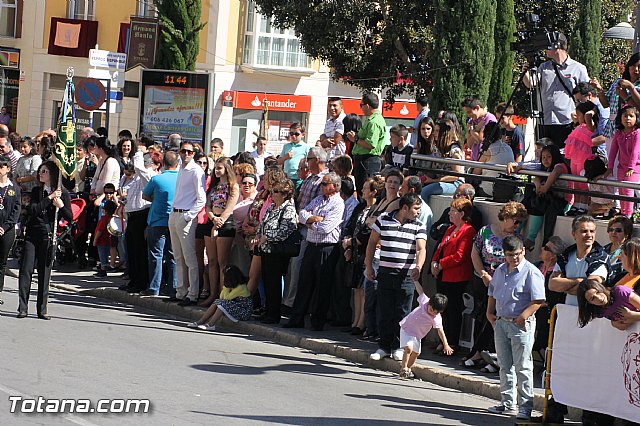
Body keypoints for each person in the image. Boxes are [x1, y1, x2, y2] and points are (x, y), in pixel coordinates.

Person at [548, 215, 609, 424]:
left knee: (587, 370)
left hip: (590, 320)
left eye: (592, 231)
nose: (589, 235)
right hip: (566, 320)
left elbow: (592, 289)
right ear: (574, 234)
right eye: (584, 231)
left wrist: (575, 285)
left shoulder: (600, 257)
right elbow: (552, 284)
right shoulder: (567, 255)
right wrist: (579, 283)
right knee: (562, 365)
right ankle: (556, 411)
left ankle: (589, 416)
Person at [486, 236, 545, 421]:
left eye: (517, 254)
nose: (514, 258)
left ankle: (526, 407)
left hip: (520, 324)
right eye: (510, 255)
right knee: (504, 365)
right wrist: (489, 312)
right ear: (504, 254)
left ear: (523, 251)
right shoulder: (501, 270)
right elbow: (492, 292)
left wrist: (523, 316)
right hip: (501, 321)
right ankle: (507, 402)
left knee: (523, 366)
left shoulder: (531, 272)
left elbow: (538, 300)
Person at [464, 202, 528, 370]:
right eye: (515, 221)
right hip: (482, 279)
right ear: (506, 217)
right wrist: (483, 274)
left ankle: (489, 353)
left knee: (495, 318)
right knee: (480, 316)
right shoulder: (485, 231)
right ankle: (476, 351)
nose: (517, 225)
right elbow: (474, 253)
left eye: (520, 222)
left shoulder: (516, 239)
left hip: (502, 284)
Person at [366, 193, 427, 362]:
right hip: (385, 272)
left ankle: (398, 346)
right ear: (404, 208)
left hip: (406, 275)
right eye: (415, 209)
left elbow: (421, 248)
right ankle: (384, 346)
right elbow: (372, 242)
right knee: (384, 311)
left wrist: (418, 266)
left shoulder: (419, 225)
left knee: (403, 312)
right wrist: (369, 265)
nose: (417, 212)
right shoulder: (383, 219)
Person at [284, 172, 344, 330]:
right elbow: (302, 214)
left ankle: (317, 321)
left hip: (327, 248)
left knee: (322, 285)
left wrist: (310, 222)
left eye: (325, 184)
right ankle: (296, 318)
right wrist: (313, 219)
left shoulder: (338, 204)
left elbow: (326, 228)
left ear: (335, 186)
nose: (321, 187)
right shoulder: (318, 199)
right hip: (312, 245)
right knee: (304, 282)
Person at [18, 161, 72, 319]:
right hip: (32, 234)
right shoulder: (37, 191)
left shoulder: (63, 193)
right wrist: (49, 198)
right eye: (40, 171)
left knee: (44, 273)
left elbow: (70, 217)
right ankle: (22, 307)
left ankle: (42, 309)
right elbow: (34, 210)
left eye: (44, 171)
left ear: (53, 174)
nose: (41, 174)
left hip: (47, 236)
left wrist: (61, 205)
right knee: (26, 270)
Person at [523, 32, 589, 148]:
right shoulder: (543, 67)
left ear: (558, 46)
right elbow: (531, 84)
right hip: (544, 121)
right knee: (544, 157)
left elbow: (586, 94)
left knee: (564, 157)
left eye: (548, 45)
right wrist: (525, 73)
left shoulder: (578, 68)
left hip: (566, 121)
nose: (545, 49)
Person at [430, 197, 477, 351]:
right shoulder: (450, 228)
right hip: (443, 275)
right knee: (442, 309)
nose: (449, 213)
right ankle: (443, 341)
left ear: (462, 213)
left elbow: (460, 255)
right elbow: (440, 247)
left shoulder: (468, 231)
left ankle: (451, 343)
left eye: (453, 211)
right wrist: (434, 262)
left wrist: (441, 264)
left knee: (453, 310)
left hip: (456, 277)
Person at [252, 179, 298, 324]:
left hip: (277, 251)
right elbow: (263, 223)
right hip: (266, 249)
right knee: (267, 281)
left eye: (276, 191)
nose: (273, 194)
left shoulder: (288, 208)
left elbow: (285, 230)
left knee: (275, 283)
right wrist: (258, 236)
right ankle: (268, 310)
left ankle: (274, 313)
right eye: (273, 190)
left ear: (285, 194)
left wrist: (267, 237)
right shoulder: (272, 206)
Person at [169, 141, 206, 306]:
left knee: (189, 258)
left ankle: (193, 294)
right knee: (178, 256)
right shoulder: (181, 169)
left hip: (185, 216)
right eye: (183, 151)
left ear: (193, 153)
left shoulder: (196, 171)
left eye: (189, 152)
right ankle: (181, 291)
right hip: (175, 213)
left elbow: (201, 198)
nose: (186, 154)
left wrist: (189, 216)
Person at [140, 150, 179, 297]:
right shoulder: (181, 179)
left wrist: (156, 200)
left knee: (156, 256)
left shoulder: (157, 179)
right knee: (173, 256)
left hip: (157, 221)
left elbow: (145, 195)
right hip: (174, 220)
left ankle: (154, 287)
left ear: (163, 164)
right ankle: (173, 287)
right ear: (177, 164)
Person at [202, 157, 239, 306]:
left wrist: (218, 224)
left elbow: (229, 208)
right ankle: (212, 294)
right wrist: (212, 218)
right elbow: (208, 205)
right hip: (212, 221)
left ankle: (222, 296)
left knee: (222, 262)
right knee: (211, 261)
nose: (217, 171)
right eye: (216, 168)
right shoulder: (214, 186)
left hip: (225, 224)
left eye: (220, 168)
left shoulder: (233, 187)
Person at [523, 144, 571, 250]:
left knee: (541, 203)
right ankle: (524, 235)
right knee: (531, 201)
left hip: (562, 202)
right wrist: (538, 186)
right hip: (549, 199)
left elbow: (554, 174)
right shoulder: (544, 168)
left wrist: (544, 188)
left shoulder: (560, 166)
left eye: (549, 157)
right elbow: (536, 178)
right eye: (543, 157)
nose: (545, 160)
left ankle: (542, 241)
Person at [399, 287, 452, 380]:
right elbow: (420, 290)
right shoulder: (424, 301)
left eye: (436, 312)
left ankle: (408, 368)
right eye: (431, 310)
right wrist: (415, 280)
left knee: (416, 353)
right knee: (408, 348)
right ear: (429, 303)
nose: (433, 313)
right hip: (407, 329)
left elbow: (440, 330)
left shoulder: (436, 318)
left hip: (417, 335)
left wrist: (446, 345)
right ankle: (403, 368)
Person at [592, 52, 640, 146]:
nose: (636, 69)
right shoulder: (619, 81)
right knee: (612, 158)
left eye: (639, 66)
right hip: (613, 126)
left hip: (632, 128)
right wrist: (599, 89)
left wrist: (630, 90)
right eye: (633, 65)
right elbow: (606, 104)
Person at [187, 265, 253, 331]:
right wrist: (226, 287)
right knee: (217, 301)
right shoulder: (232, 286)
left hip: (244, 312)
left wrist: (226, 288)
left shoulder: (241, 287)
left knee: (222, 304)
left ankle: (211, 324)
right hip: (235, 307)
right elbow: (221, 297)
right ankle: (201, 321)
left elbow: (226, 298)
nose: (223, 278)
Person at [602, 105, 640, 217]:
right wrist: (609, 167)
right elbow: (613, 150)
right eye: (625, 116)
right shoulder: (619, 133)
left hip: (634, 168)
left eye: (631, 116)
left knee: (628, 191)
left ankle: (628, 216)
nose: (628, 118)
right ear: (620, 118)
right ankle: (623, 214)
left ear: (636, 118)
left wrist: (631, 167)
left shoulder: (637, 133)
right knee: (622, 190)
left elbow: (635, 152)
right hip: (622, 167)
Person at [563, 101, 598, 214]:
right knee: (576, 182)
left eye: (579, 114)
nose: (577, 116)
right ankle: (576, 204)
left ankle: (583, 206)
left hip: (584, 159)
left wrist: (589, 114)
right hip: (575, 158)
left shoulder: (590, 127)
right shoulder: (578, 127)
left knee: (583, 183)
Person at [420, 119, 465, 203]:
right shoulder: (437, 149)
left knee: (425, 191)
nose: (434, 133)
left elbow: (456, 175)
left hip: (455, 184)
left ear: (444, 133)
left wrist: (434, 181)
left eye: (437, 131)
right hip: (438, 180)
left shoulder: (454, 150)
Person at [353, 92, 386, 193]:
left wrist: (355, 139)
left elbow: (371, 144)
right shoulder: (371, 120)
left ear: (367, 105)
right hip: (364, 160)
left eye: (361, 105)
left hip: (368, 160)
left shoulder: (374, 122)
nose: (361, 108)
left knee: (365, 190)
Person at [473, 121, 515, 197]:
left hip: (489, 190)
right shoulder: (509, 148)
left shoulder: (488, 150)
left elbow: (475, 173)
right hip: (506, 189)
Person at [0, 156, 20, 305]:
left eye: (2, 167)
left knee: (2, 263)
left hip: (6, 230)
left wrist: (5, 227)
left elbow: (16, 211)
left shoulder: (13, 188)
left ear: (7, 169)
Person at [462, 95, 497, 161]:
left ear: (477, 108)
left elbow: (481, 140)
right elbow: (469, 144)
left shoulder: (490, 120)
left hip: (486, 160)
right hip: (475, 159)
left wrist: (473, 131)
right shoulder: (472, 120)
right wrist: (477, 129)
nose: (469, 115)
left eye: (469, 112)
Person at [278, 122, 309, 188]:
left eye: (296, 134)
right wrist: (285, 157)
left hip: (298, 178)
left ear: (303, 134)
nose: (293, 136)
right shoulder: (286, 146)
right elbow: (279, 162)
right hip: (286, 178)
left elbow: (308, 163)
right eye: (291, 134)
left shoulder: (306, 147)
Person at [93, 200, 117, 278]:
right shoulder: (112, 219)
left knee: (102, 255)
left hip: (101, 240)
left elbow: (99, 230)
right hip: (108, 240)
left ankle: (103, 270)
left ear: (104, 210)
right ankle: (105, 267)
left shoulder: (103, 219)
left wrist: (95, 240)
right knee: (106, 254)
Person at [318, 97, 346, 161]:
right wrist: (324, 140)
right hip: (329, 158)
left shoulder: (343, 120)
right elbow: (322, 138)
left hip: (340, 160)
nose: (332, 108)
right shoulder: (329, 121)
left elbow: (334, 142)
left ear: (341, 107)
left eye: (334, 105)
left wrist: (322, 141)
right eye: (330, 106)